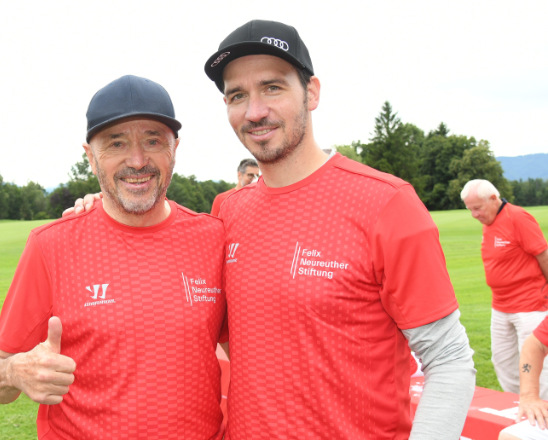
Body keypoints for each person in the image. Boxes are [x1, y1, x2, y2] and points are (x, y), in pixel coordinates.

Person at [71, 20, 476, 439]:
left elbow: (448, 360)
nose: (255, 111)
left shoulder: (386, 203)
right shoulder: (227, 211)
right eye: (237, 95)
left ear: (312, 92)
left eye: (273, 87)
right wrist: (101, 208)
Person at [0, 75, 227, 439]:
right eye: (116, 143)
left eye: (153, 140)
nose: (137, 160)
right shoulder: (51, 246)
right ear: (90, 157)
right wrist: (15, 371)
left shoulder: (213, 238)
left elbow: (250, 351)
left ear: (176, 147)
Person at [461, 179, 548, 398]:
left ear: (493, 199)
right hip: (500, 306)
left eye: (477, 208)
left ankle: (542, 411)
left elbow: (543, 255)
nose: (474, 215)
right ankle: (518, 407)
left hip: (530, 306)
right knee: (502, 360)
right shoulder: (489, 223)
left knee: (535, 362)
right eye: (470, 210)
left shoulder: (517, 218)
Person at [498, 317, 548, 440]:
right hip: (503, 307)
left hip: (528, 308)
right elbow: (536, 344)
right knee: (509, 437)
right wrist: (529, 395)